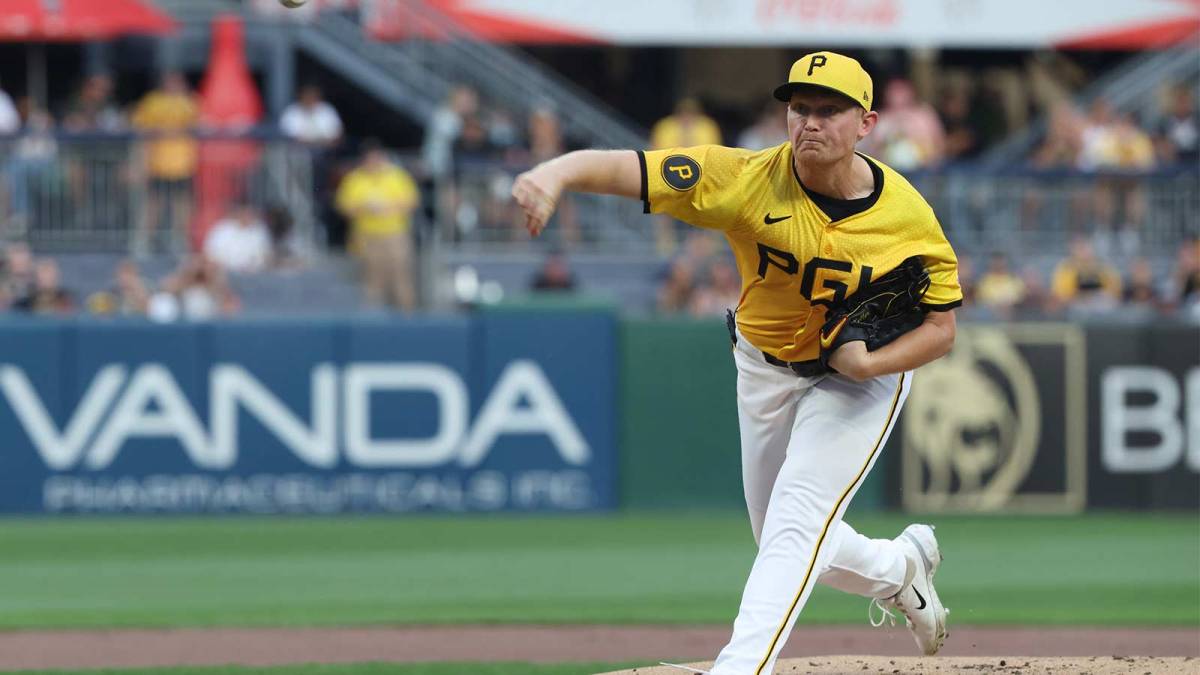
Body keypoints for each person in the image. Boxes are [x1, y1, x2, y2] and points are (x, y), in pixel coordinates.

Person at [512, 51, 960, 672]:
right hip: (765, 367)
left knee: (797, 516)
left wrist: (867, 367)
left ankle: (740, 667)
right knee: (781, 535)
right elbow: (631, 169)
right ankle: (899, 571)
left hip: (861, 380)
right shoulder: (744, 178)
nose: (809, 122)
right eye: (799, 108)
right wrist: (557, 172)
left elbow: (941, 328)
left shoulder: (908, 219)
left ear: (867, 124)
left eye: (829, 111)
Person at [335, 140, 420, 310]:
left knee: (400, 273)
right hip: (366, 234)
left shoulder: (397, 176)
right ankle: (374, 317)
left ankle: (407, 313)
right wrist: (365, 208)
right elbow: (344, 206)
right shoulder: (355, 179)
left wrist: (388, 207)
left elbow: (412, 202)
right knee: (372, 276)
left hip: (395, 233)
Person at [130, 71, 199, 255]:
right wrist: (140, 163)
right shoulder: (153, 102)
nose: (174, 85)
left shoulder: (189, 102)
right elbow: (141, 133)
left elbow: (202, 125)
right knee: (154, 205)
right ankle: (142, 242)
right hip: (158, 163)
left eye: (177, 81)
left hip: (183, 164)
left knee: (182, 206)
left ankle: (180, 242)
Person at [204, 203, 272, 273]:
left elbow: (265, 256)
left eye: (249, 213)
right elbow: (210, 255)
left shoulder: (259, 230)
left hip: (253, 274)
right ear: (238, 213)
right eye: (244, 213)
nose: (246, 216)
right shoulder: (222, 229)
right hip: (224, 273)